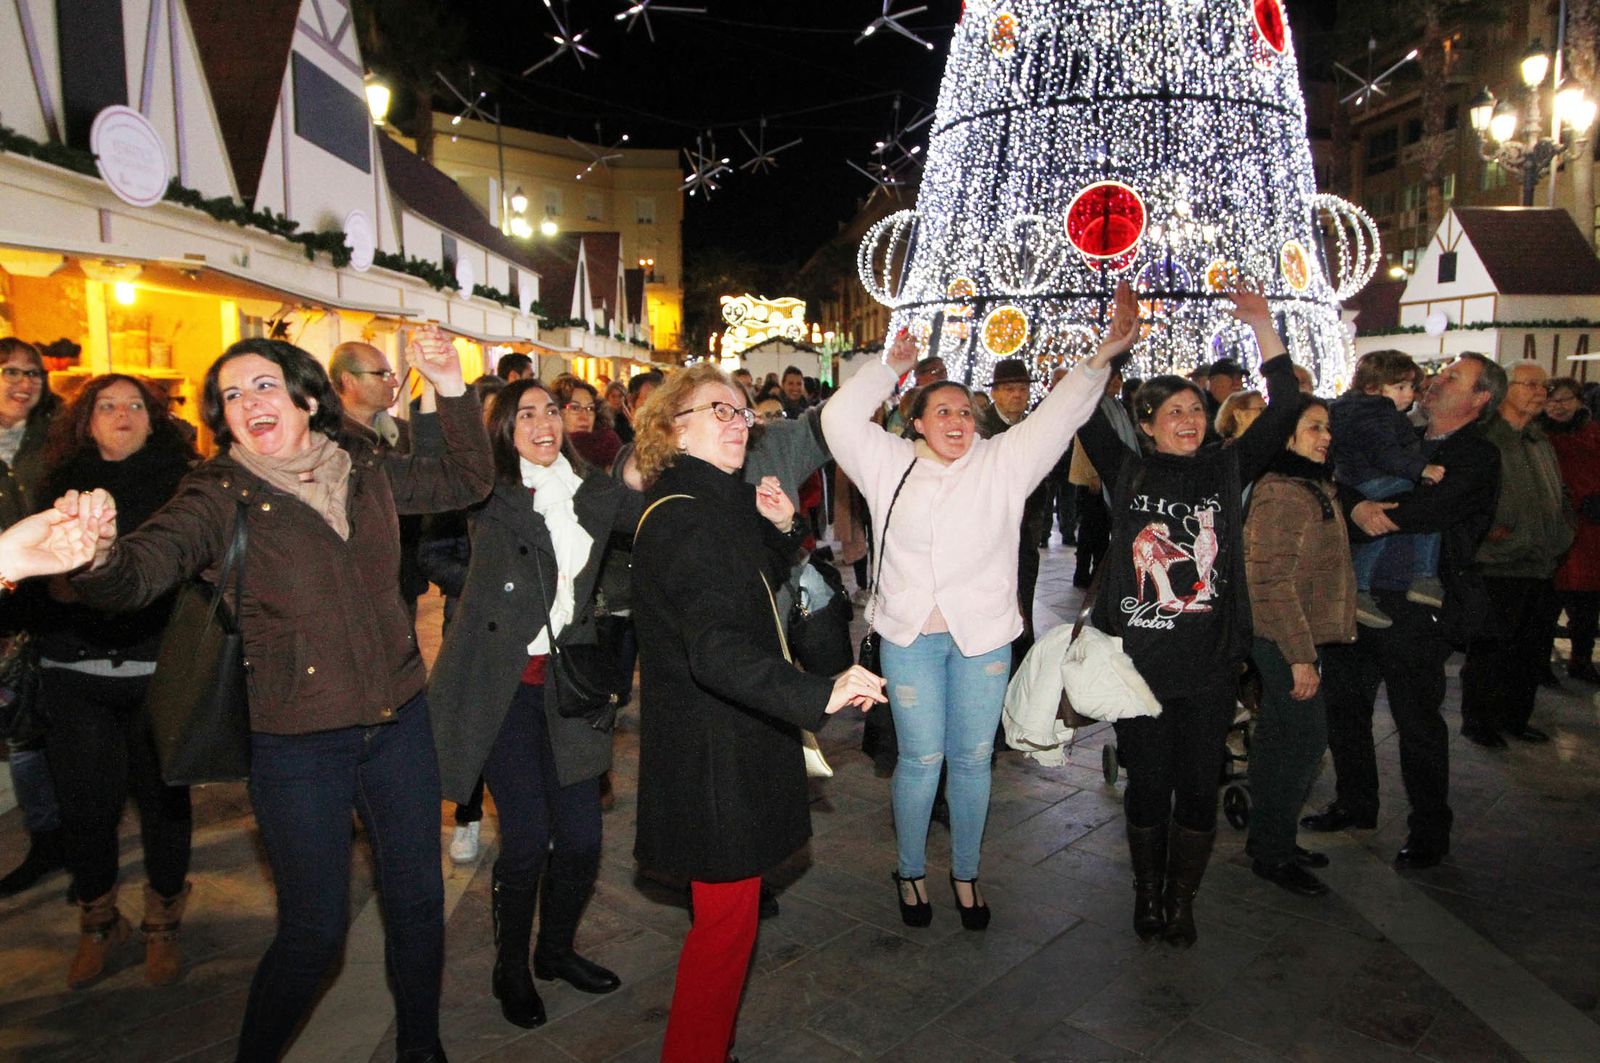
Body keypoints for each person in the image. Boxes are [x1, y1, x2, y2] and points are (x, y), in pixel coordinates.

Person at [62, 331, 492, 1062]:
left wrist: (452, 386)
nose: (248, 402)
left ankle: (421, 1047)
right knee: (314, 933)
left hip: (398, 721)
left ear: (307, 398)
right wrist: (97, 554)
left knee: (419, 903)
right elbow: (140, 570)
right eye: (231, 395)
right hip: (297, 742)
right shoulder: (217, 494)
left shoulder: (364, 468)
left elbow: (467, 479)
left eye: (263, 385)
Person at [824, 309, 1126, 933]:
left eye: (965, 411)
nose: (957, 421)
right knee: (920, 759)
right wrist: (889, 368)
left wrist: (1099, 359)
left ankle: (966, 872)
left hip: (983, 639)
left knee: (971, 760)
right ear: (916, 421)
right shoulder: (886, 461)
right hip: (910, 637)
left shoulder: (1003, 461)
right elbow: (837, 419)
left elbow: (1058, 416)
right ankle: (910, 870)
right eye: (942, 411)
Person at [630, 364, 885, 1063]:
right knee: (724, 932)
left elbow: (743, 585)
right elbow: (715, 647)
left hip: (722, 738)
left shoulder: (712, 502)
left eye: (743, 411)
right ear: (673, 429)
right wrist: (816, 692)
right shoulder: (687, 518)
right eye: (719, 409)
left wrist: (782, 528)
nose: (739, 421)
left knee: (729, 926)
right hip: (715, 750)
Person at [1074, 283, 1302, 947]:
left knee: (1200, 788)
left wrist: (1263, 326)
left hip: (1209, 661)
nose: (1189, 418)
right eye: (1173, 410)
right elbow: (1080, 407)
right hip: (1137, 664)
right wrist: (1112, 346)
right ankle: (1147, 893)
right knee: (1148, 785)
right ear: (1146, 424)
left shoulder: (1228, 469)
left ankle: (1182, 901)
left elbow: (1286, 407)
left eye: (1196, 408)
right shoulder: (1125, 470)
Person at [429, 379, 640, 1030]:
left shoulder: (593, 492)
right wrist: (482, 592)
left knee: (580, 838)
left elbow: (660, 516)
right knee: (524, 841)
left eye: (553, 410)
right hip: (500, 691)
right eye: (526, 414)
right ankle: (511, 969)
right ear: (503, 429)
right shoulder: (485, 491)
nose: (544, 422)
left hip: (567, 687)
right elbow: (441, 516)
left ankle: (555, 950)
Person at [1305, 354, 1503, 870]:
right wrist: (1355, 507)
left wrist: (1373, 513)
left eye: (1453, 378)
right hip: (1358, 594)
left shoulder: (1477, 454)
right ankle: (1355, 802)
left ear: (1480, 398)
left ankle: (1429, 829)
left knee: (1416, 720)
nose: (1436, 381)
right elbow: (1340, 476)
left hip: (1417, 605)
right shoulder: (1397, 433)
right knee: (1345, 706)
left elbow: (1441, 507)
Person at [31, 375, 197, 988]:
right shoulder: (58, 486)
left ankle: (163, 921)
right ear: (87, 421)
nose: (122, 414)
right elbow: (39, 582)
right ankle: (99, 921)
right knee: (86, 806)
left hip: (159, 668)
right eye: (107, 405)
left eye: (135, 405)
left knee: (164, 801)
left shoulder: (185, 486)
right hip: (76, 669)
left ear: (154, 420)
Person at [1241, 397, 1354, 897]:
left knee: (1279, 739)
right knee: (1303, 742)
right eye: (1313, 428)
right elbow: (1269, 582)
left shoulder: (1309, 484)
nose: (1325, 437)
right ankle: (1272, 852)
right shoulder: (1284, 493)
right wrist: (1300, 656)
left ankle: (1272, 839)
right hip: (1284, 637)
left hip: (1295, 633)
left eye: (1327, 428)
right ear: (1285, 435)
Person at [1457, 360, 1572, 746]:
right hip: (1498, 563)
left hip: (1541, 561)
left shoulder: (1538, 439)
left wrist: (1563, 530)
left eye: (1544, 386)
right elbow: (1467, 494)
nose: (1541, 393)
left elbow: (1557, 492)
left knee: (1530, 648)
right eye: (1531, 385)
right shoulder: (1486, 437)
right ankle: (1481, 722)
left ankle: (1515, 716)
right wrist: (1487, 532)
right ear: (1505, 389)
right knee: (1491, 648)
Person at [0, 337, 67, 898]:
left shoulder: (58, 440)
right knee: (21, 734)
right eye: (9, 372)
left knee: (68, 725)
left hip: (58, 604)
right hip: (3, 612)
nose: (23, 383)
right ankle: (47, 840)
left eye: (32, 373)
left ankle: (85, 837)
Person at [1329, 351, 1445, 630]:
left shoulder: (1355, 410)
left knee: (1382, 525)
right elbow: (1384, 452)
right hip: (1373, 478)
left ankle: (1361, 587)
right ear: (1372, 387)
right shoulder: (1375, 412)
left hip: (1359, 479)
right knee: (1423, 504)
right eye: (1400, 387)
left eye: (1411, 387)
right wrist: (1421, 469)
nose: (1409, 395)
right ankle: (1424, 575)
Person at [1539, 377, 1600, 683]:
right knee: (1546, 602)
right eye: (1552, 400)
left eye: (1565, 399)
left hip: (1589, 530)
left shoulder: (1594, 433)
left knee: (1587, 601)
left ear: (1579, 401)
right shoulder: (1537, 436)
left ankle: (1581, 659)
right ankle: (1539, 662)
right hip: (1550, 527)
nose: (1558, 406)